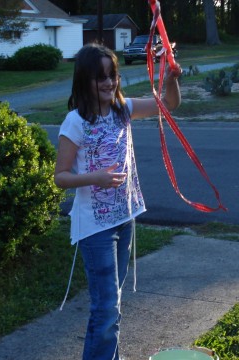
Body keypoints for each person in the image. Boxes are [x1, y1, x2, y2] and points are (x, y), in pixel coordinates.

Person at [54, 42, 181, 360]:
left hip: (125, 219)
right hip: (96, 229)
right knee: (106, 310)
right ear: (85, 81)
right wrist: (94, 178)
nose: (109, 83)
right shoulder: (75, 122)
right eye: (101, 78)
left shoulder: (122, 109)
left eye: (113, 76)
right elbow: (60, 177)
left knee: (113, 305)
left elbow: (167, 104)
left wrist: (171, 79)